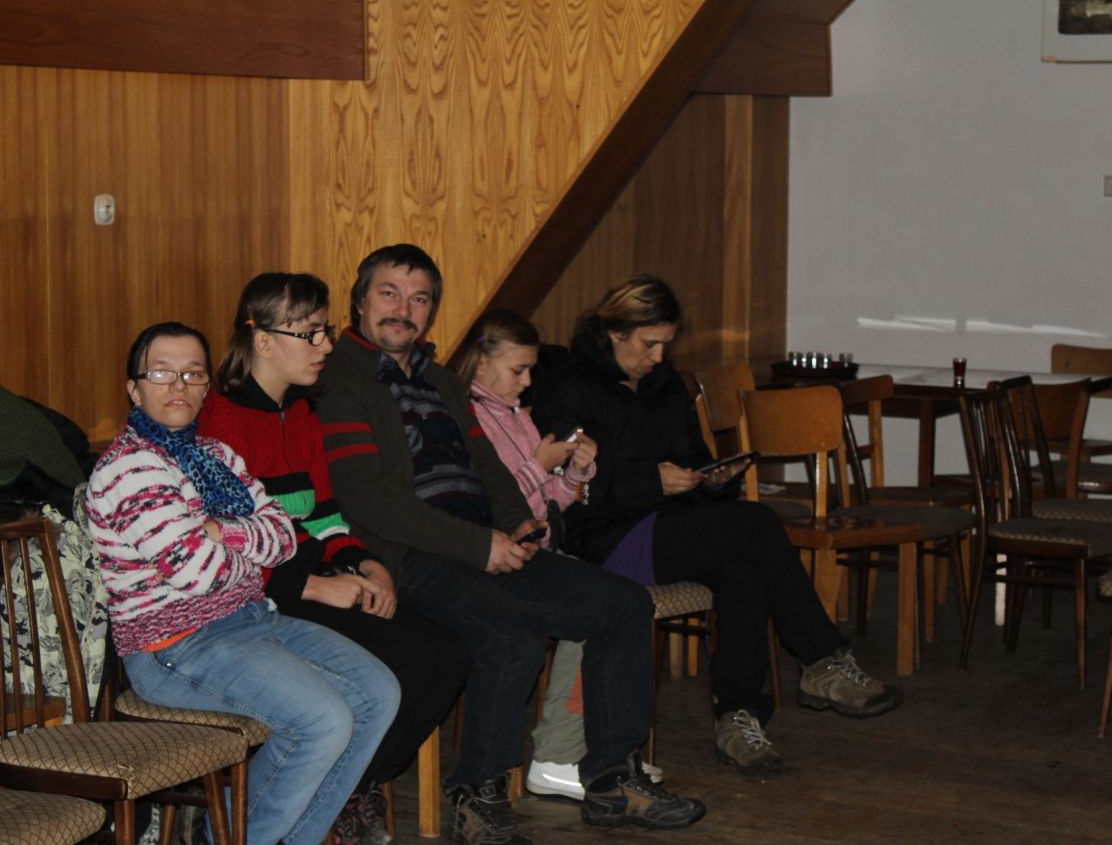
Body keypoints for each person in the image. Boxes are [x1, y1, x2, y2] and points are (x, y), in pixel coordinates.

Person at [317, 244, 705, 845]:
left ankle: (610, 780)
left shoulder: (441, 381)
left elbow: (488, 469)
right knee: (511, 633)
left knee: (624, 604)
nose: (403, 309)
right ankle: (477, 792)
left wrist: (518, 523)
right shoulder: (340, 378)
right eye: (389, 293)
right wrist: (480, 545)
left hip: (481, 542)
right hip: (404, 556)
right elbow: (369, 499)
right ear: (361, 301)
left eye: (419, 299)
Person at [530, 276, 903, 780]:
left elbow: (693, 460)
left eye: (666, 344)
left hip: (672, 527)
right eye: (649, 344)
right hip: (605, 538)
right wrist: (651, 481)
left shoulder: (665, 386)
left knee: (743, 572)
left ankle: (738, 719)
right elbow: (563, 485)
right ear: (615, 332)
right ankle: (822, 660)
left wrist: (714, 480)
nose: (658, 357)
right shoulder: (571, 387)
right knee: (758, 523)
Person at [86, 322, 400, 845]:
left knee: (378, 693)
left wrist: (221, 532)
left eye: (193, 374)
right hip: (175, 647)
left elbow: (284, 537)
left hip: (250, 620)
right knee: (322, 720)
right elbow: (197, 571)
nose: (178, 386)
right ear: (134, 390)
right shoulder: (130, 469)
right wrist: (245, 552)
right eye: (161, 373)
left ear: (206, 387)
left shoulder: (216, 457)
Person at [198, 272, 471, 844]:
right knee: (407, 659)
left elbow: (324, 513)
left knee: (447, 653)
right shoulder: (219, 422)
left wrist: (365, 564)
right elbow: (228, 545)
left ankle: (352, 787)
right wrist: (318, 588)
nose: (325, 345)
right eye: (311, 334)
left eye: (325, 331)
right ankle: (332, 796)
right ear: (263, 340)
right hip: (257, 596)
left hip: (306, 574)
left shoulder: (301, 410)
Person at [458, 308, 661, 801]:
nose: (528, 382)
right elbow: (492, 504)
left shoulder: (517, 415)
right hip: (492, 561)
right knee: (599, 609)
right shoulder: (467, 417)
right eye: (518, 370)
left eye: (531, 370)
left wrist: (574, 472)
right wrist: (538, 466)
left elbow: (547, 504)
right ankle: (558, 754)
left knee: (619, 599)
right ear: (481, 365)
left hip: (538, 552)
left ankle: (601, 754)